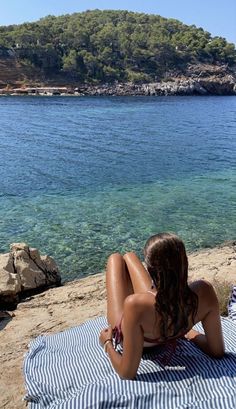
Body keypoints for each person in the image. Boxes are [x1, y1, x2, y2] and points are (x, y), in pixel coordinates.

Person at [99, 232, 225, 380]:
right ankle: (129, 256)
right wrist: (189, 332)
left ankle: (126, 258)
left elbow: (127, 373)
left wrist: (107, 343)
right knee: (130, 256)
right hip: (169, 321)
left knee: (115, 259)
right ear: (185, 261)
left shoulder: (135, 304)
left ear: (151, 269)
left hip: (141, 337)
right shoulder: (204, 291)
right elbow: (217, 351)